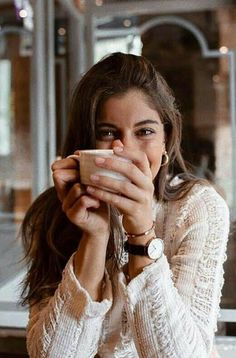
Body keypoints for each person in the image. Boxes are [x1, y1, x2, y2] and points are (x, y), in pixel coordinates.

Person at [21, 52, 229, 358]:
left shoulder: (197, 208)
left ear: (165, 140)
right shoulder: (51, 214)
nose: (126, 149)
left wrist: (141, 232)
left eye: (144, 132)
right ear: (84, 142)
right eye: (107, 133)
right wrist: (94, 235)